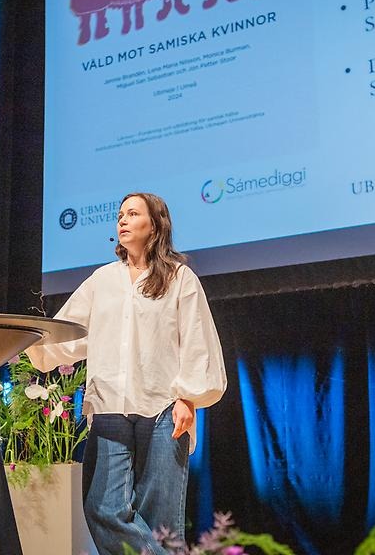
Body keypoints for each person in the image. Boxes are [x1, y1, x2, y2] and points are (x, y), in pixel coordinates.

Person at [26, 192, 227, 554]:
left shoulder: (179, 278)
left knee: (161, 521)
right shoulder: (102, 280)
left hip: (164, 408)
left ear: (155, 224)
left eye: (133, 214)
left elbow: (197, 340)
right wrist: (30, 344)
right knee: (102, 508)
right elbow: (69, 331)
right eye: (120, 214)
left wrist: (188, 397)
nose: (122, 220)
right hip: (109, 407)